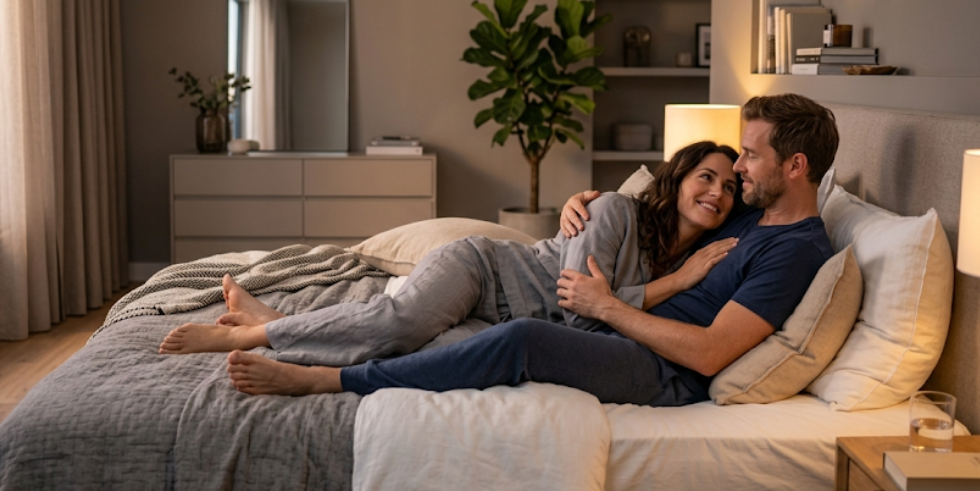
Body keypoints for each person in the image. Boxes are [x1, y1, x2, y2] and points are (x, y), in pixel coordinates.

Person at [218, 93, 840, 407]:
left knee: (518, 342)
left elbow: (708, 353)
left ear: (796, 165)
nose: (736, 168)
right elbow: (641, 220)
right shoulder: (756, 215)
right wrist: (589, 205)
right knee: (439, 336)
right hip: (618, 329)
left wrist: (609, 307)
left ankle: (328, 378)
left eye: (750, 156)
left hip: (661, 368)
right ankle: (295, 334)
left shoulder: (795, 249)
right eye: (725, 164)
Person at [159, 142, 743, 368]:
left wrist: (681, 277)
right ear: (678, 177)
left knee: (426, 357)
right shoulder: (616, 210)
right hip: (484, 274)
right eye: (706, 177)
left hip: (508, 325)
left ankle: (283, 323)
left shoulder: (693, 261)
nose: (717, 192)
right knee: (400, 322)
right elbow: (578, 312)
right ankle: (244, 338)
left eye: (730, 187)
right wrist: (675, 284)